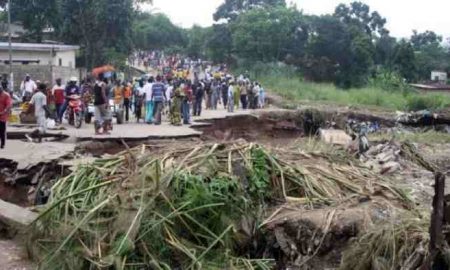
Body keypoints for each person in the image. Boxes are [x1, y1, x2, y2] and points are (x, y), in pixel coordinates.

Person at [0, 85, 12, 149]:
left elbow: (8, 105)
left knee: (2, 131)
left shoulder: (6, 95)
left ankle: (2, 144)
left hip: (2, 116)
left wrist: (3, 112)